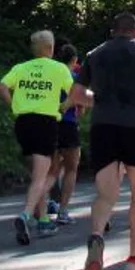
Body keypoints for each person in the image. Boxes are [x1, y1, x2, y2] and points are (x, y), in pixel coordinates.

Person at [78, 12, 135, 270]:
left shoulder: (95, 53)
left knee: (105, 195)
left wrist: (103, 101)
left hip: (103, 127)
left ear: (112, 31)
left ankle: (95, 237)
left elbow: (77, 94)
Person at [0, 30, 77, 245]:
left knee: (36, 172)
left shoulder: (21, 68)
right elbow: (75, 92)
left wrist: (14, 106)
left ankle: (43, 219)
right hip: (45, 122)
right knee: (42, 176)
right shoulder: (59, 68)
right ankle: (25, 214)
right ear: (51, 48)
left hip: (23, 122)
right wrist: (64, 106)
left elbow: (2, 86)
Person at [48, 40, 83, 224]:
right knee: (71, 168)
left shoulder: (52, 74)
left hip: (51, 123)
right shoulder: (75, 76)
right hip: (69, 123)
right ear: (74, 59)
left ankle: (48, 204)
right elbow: (80, 101)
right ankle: (63, 210)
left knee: (52, 168)